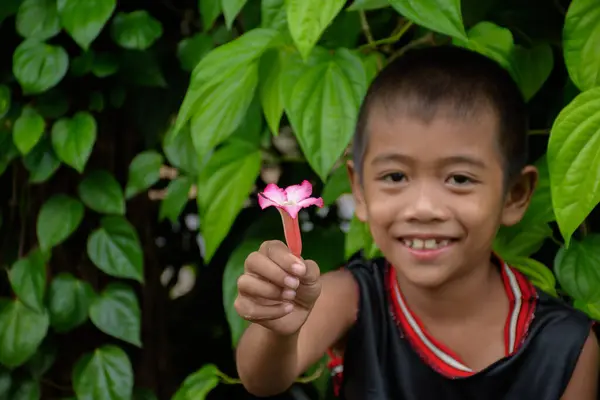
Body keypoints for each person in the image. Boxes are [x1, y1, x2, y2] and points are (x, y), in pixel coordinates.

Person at [233, 45, 599, 399]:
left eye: (459, 179)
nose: (423, 208)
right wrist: (277, 328)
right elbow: (262, 380)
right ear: (359, 189)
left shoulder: (567, 346)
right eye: (395, 177)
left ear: (515, 194)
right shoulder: (350, 296)